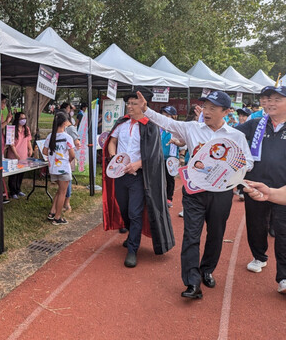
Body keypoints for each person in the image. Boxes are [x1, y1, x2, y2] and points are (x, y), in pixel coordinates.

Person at [135, 90, 253, 299]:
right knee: (191, 235)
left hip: (221, 193)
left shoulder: (236, 136)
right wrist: (146, 110)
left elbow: (248, 163)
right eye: (205, 107)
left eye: (212, 108)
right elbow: (167, 123)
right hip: (194, 192)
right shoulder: (192, 129)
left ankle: (206, 269)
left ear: (225, 111)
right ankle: (192, 282)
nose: (206, 112)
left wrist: (228, 170)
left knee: (216, 235)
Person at [102, 87, 174, 268]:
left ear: (144, 105)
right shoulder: (122, 124)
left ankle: (133, 249)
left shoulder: (150, 126)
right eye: (128, 103)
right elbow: (112, 141)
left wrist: (137, 164)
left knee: (135, 213)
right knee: (124, 210)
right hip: (119, 175)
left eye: (134, 103)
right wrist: (113, 158)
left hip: (139, 177)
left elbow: (154, 155)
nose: (129, 106)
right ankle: (131, 235)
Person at [236, 86, 286, 293]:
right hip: (255, 186)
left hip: (283, 190)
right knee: (256, 225)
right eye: (267, 99)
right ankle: (259, 256)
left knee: (284, 232)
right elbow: (229, 135)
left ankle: (284, 277)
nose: (270, 103)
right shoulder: (255, 124)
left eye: (276, 99)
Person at [43, 111, 75, 225]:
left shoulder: (50, 136)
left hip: (53, 169)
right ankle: (57, 217)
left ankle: (52, 212)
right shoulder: (67, 137)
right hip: (64, 168)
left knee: (60, 190)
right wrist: (69, 161)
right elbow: (72, 155)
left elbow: (45, 151)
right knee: (63, 192)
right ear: (65, 122)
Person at [6, 112, 32, 199]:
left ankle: (18, 189)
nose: (23, 120)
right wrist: (16, 154)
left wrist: (30, 149)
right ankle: (12, 191)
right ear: (17, 119)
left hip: (23, 156)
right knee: (13, 174)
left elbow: (28, 140)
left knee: (21, 173)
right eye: (21, 118)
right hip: (13, 156)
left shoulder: (26, 129)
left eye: (24, 118)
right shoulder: (11, 129)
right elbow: (11, 144)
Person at [160, 105, 179, 208]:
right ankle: (160, 197)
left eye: (167, 115)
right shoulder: (159, 128)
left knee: (170, 179)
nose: (165, 117)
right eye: (163, 115)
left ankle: (169, 198)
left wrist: (180, 156)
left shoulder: (177, 128)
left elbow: (182, 143)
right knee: (159, 178)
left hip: (171, 159)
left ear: (174, 116)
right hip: (159, 157)